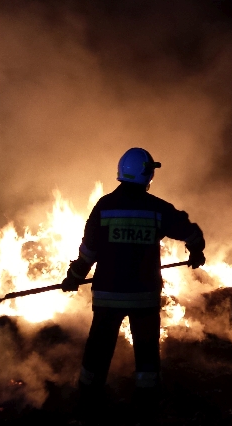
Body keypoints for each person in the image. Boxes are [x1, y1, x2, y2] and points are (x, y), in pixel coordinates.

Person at [60, 147, 206, 419]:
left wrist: (74, 278)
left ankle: (88, 402)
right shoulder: (156, 208)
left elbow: (88, 252)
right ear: (147, 175)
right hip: (143, 297)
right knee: (147, 353)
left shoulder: (104, 206)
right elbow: (190, 231)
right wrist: (196, 251)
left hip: (108, 296)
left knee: (98, 351)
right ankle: (146, 407)